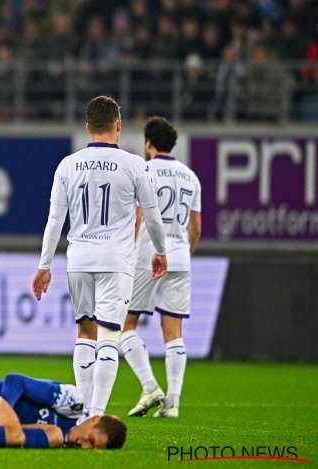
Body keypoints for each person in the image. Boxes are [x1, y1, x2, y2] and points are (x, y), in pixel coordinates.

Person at [32, 96, 168, 418]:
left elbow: (54, 221)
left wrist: (44, 264)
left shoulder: (67, 164)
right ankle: (95, 415)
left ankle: (82, 415)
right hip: (115, 262)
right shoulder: (135, 164)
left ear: (88, 126)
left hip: (78, 259)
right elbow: (152, 217)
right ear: (119, 126)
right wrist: (161, 252)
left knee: (83, 333)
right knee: (109, 335)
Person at [123, 117, 202, 419]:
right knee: (174, 333)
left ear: (148, 142)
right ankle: (173, 403)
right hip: (180, 257)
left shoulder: (144, 170)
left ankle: (149, 386)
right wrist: (185, 255)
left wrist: (128, 254)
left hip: (148, 255)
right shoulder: (190, 177)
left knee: (124, 325)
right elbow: (195, 228)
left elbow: (138, 218)